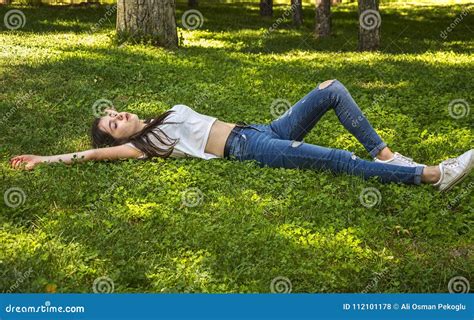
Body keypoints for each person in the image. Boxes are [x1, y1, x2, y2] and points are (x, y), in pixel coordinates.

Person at [10, 79, 472, 192]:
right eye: (112, 122)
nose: (119, 115)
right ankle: (432, 175)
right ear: (118, 139)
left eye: (113, 112)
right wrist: (44, 160)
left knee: (331, 88)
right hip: (249, 148)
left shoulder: (158, 118)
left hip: (261, 128)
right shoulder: (142, 145)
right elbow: (89, 156)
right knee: (334, 157)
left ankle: (389, 156)